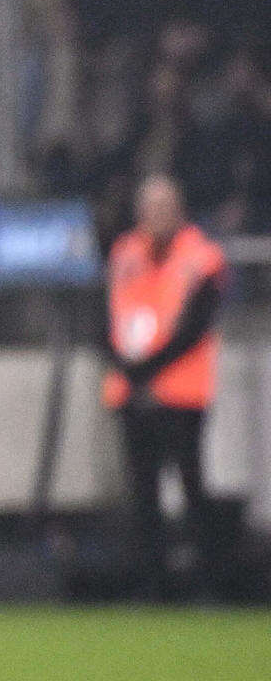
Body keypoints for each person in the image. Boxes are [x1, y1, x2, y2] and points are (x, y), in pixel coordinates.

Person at [102, 174, 231, 598]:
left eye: (163, 206)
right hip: (132, 393)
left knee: (192, 487)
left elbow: (196, 325)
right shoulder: (124, 252)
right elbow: (108, 316)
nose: (154, 214)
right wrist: (126, 369)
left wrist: (147, 369)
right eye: (148, 206)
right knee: (142, 494)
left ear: (179, 210)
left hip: (182, 393)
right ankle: (149, 585)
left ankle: (207, 584)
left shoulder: (203, 257)